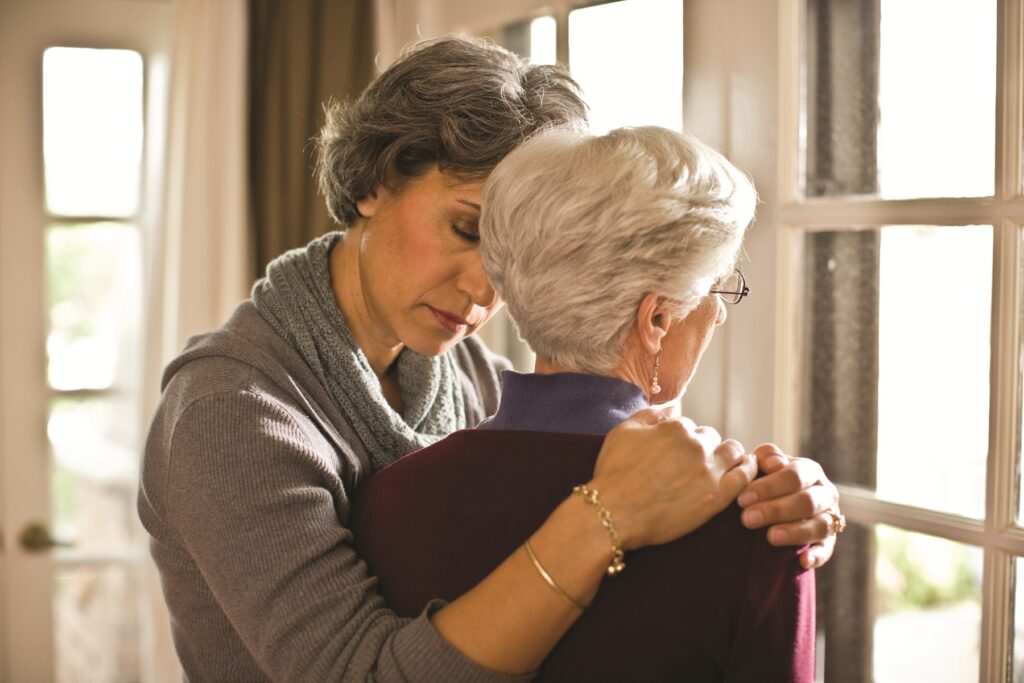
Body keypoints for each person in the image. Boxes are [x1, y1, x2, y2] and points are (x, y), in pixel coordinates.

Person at [137, 36, 840, 682]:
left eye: (508, 251)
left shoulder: (467, 374)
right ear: (372, 182)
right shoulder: (228, 413)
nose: (484, 286)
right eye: (466, 227)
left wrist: (778, 493)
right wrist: (609, 512)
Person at [350, 125, 817, 682]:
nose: (718, 314)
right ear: (657, 320)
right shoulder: (761, 528)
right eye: (717, 290)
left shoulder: (388, 500)